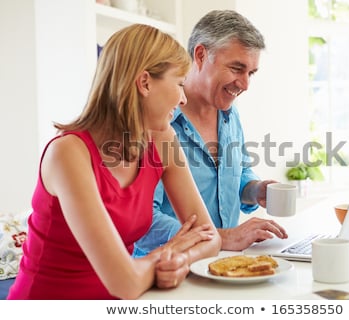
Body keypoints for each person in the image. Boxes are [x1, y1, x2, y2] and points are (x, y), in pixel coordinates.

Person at [7, 24, 221, 300]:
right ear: (144, 83)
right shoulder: (68, 153)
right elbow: (126, 283)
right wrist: (163, 256)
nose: (183, 98)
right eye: (179, 83)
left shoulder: (161, 139)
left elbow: (210, 238)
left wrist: (180, 259)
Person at [134, 10, 288, 256]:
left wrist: (255, 190)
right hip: (169, 270)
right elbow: (142, 222)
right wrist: (220, 237)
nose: (245, 84)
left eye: (251, 73)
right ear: (201, 55)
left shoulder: (229, 114)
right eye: (237, 68)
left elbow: (238, 174)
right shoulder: (158, 120)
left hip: (221, 264)